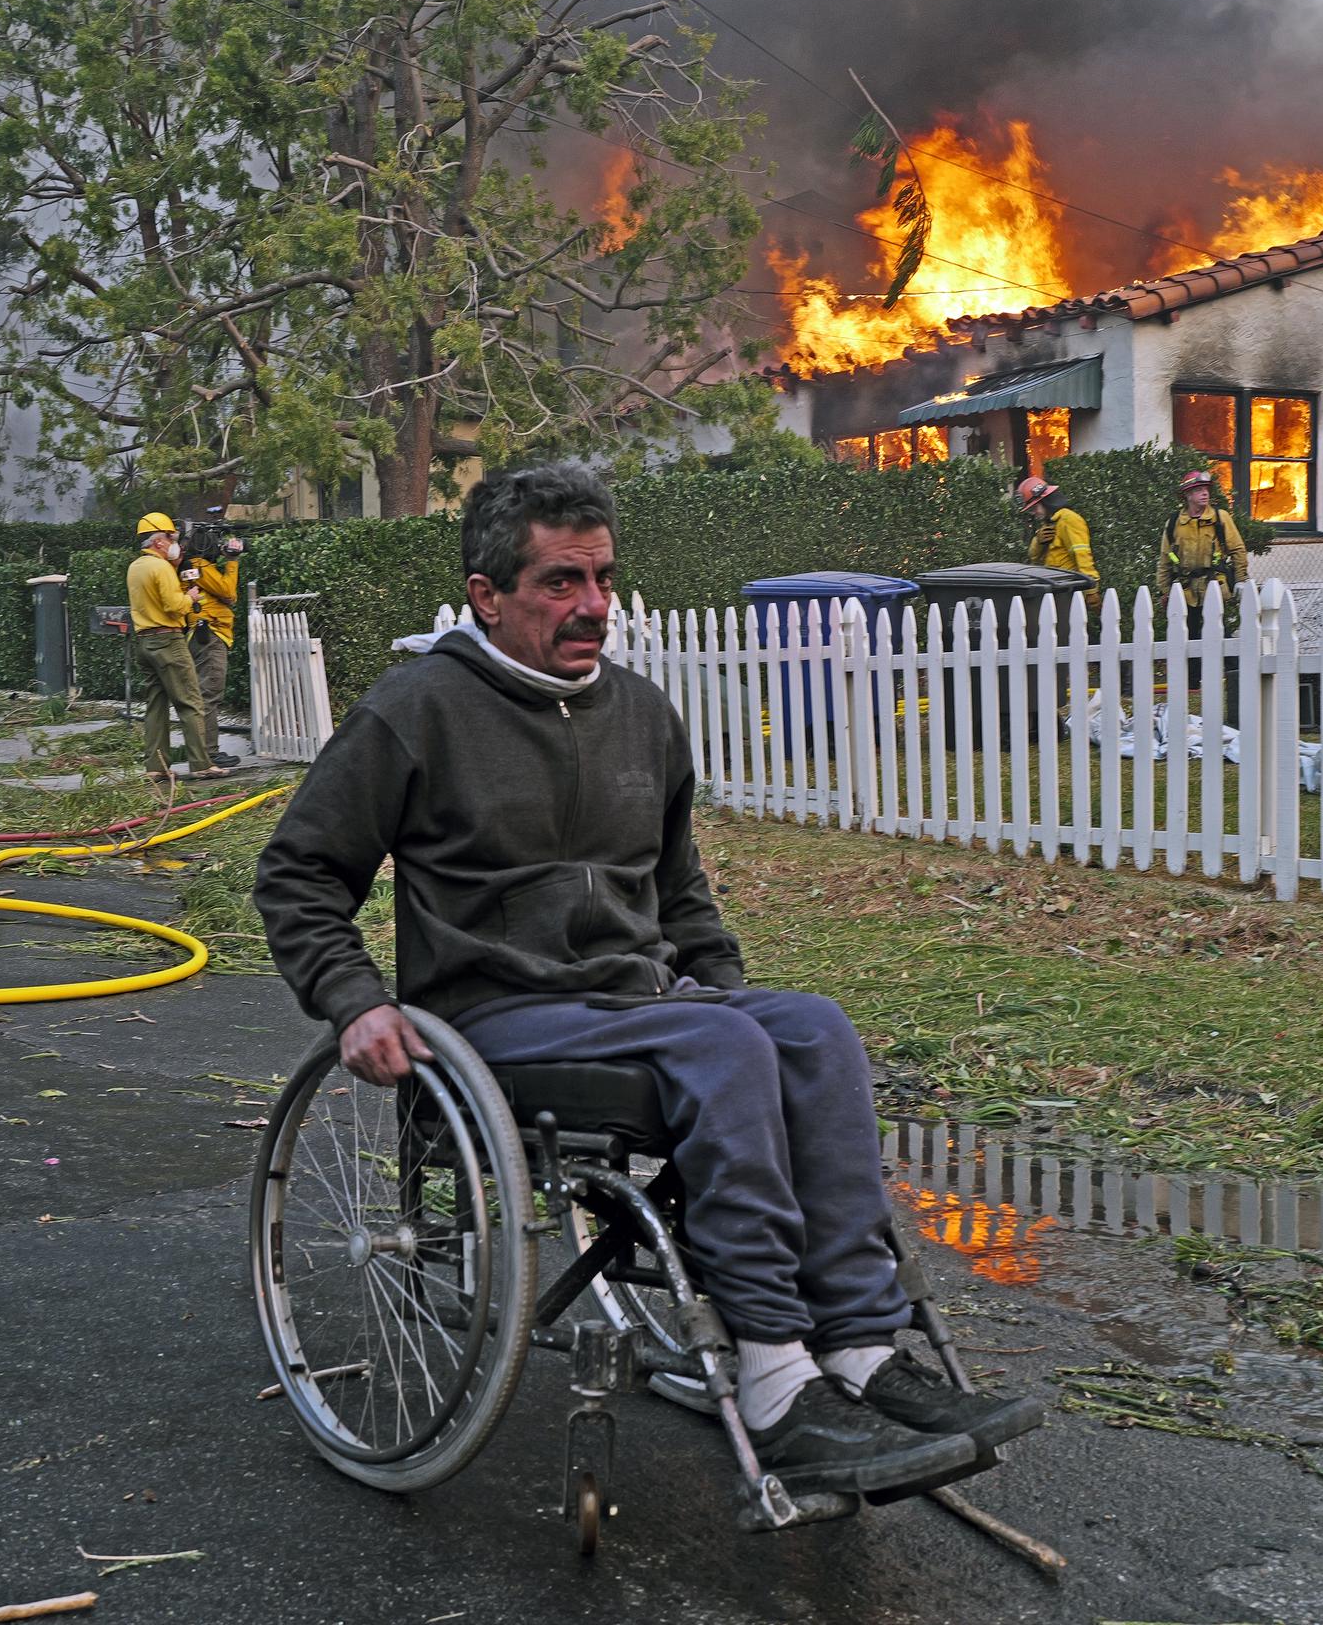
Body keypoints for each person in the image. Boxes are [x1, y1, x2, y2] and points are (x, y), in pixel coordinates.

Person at [253, 463, 1042, 1500]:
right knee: (722, 1045)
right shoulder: (418, 710)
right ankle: (771, 1374)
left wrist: (727, 989)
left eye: (603, 578)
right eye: (560, 583)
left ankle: (859, 1345)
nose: (593, 606)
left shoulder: (641, 712)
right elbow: (297, 874)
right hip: (496, 1015)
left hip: (636, 1005)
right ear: (489, 595)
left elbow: (679, 888)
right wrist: (355, 1000)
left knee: (808, 1027)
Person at [126, 512, 229, 784]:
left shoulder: (135, 567)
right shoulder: (161, 568)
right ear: (159, 541)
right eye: (172, 537)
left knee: (156, 705)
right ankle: (201, 763)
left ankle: (155, 767)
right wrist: (190, 597)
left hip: (145, 641)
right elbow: (174, 606)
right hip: (168, 641)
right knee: (191, 701)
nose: (176, 543)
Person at [1155, 469, 1250, 679]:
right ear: (1188, 495)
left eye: (1206, 489)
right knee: (1188, 637)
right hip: (1186, 591)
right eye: (1198, 490)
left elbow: (1237, 550)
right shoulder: (1174, 524)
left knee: (1220, 633)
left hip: (1214, 587)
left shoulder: (1220, 518)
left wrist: (1241, 581)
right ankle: (1192, 684)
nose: (1204, 494)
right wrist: (1165, 590)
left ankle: (1237, 676)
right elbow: (1165, 559)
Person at [180, 526, 244, 716]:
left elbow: (224, 594)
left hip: (199, 634)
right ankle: (207, 747)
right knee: (209, 694)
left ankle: (203, 745)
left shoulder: (191, 567)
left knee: (204, 694)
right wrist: (232, 560)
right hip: (210, 634)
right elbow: (229, 592)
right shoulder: (199, 565)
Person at [1014, 475, 1100, 611]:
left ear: (1046, 501)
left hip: (1069, 591)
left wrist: (1091, 590)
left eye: (1034, 508)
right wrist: (1038, 541)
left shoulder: (1069, 520)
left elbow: (1082, 555)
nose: (1034, 513)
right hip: (1055, 590)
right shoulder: (1049, 523)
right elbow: (1033, 557)